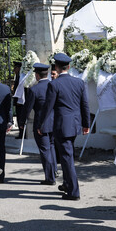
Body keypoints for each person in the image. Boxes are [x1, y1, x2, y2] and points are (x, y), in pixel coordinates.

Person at [38, 53, 90, 201]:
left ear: (56, 67)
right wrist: (86, 124)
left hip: (62, 126)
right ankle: (67, 184)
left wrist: (41, 124)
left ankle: (74, 192)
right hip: (75, 124)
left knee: (67, 158)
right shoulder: (79, 82)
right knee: (67, 154)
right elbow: (84, 105)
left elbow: (48, 107)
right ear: (69, 66)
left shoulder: (54, 84)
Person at [19, 63, 56, 185]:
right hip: (55, 122)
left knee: (45, 150)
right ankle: (53, 171)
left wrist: (21, 122)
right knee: (51, 148)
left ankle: (50, 178)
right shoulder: (54, 85)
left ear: (37, 75)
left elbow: (27, 108)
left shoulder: (34, 89)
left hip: (41, 123)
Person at [13, 61, 26, 139]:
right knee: (19, 118)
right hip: (17, 101)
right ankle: (21, 133)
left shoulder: (21, 77)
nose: (14, 70)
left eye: (15, 68)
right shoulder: (17, 76)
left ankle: (22, 133)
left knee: (21, 118)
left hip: (20, 102)